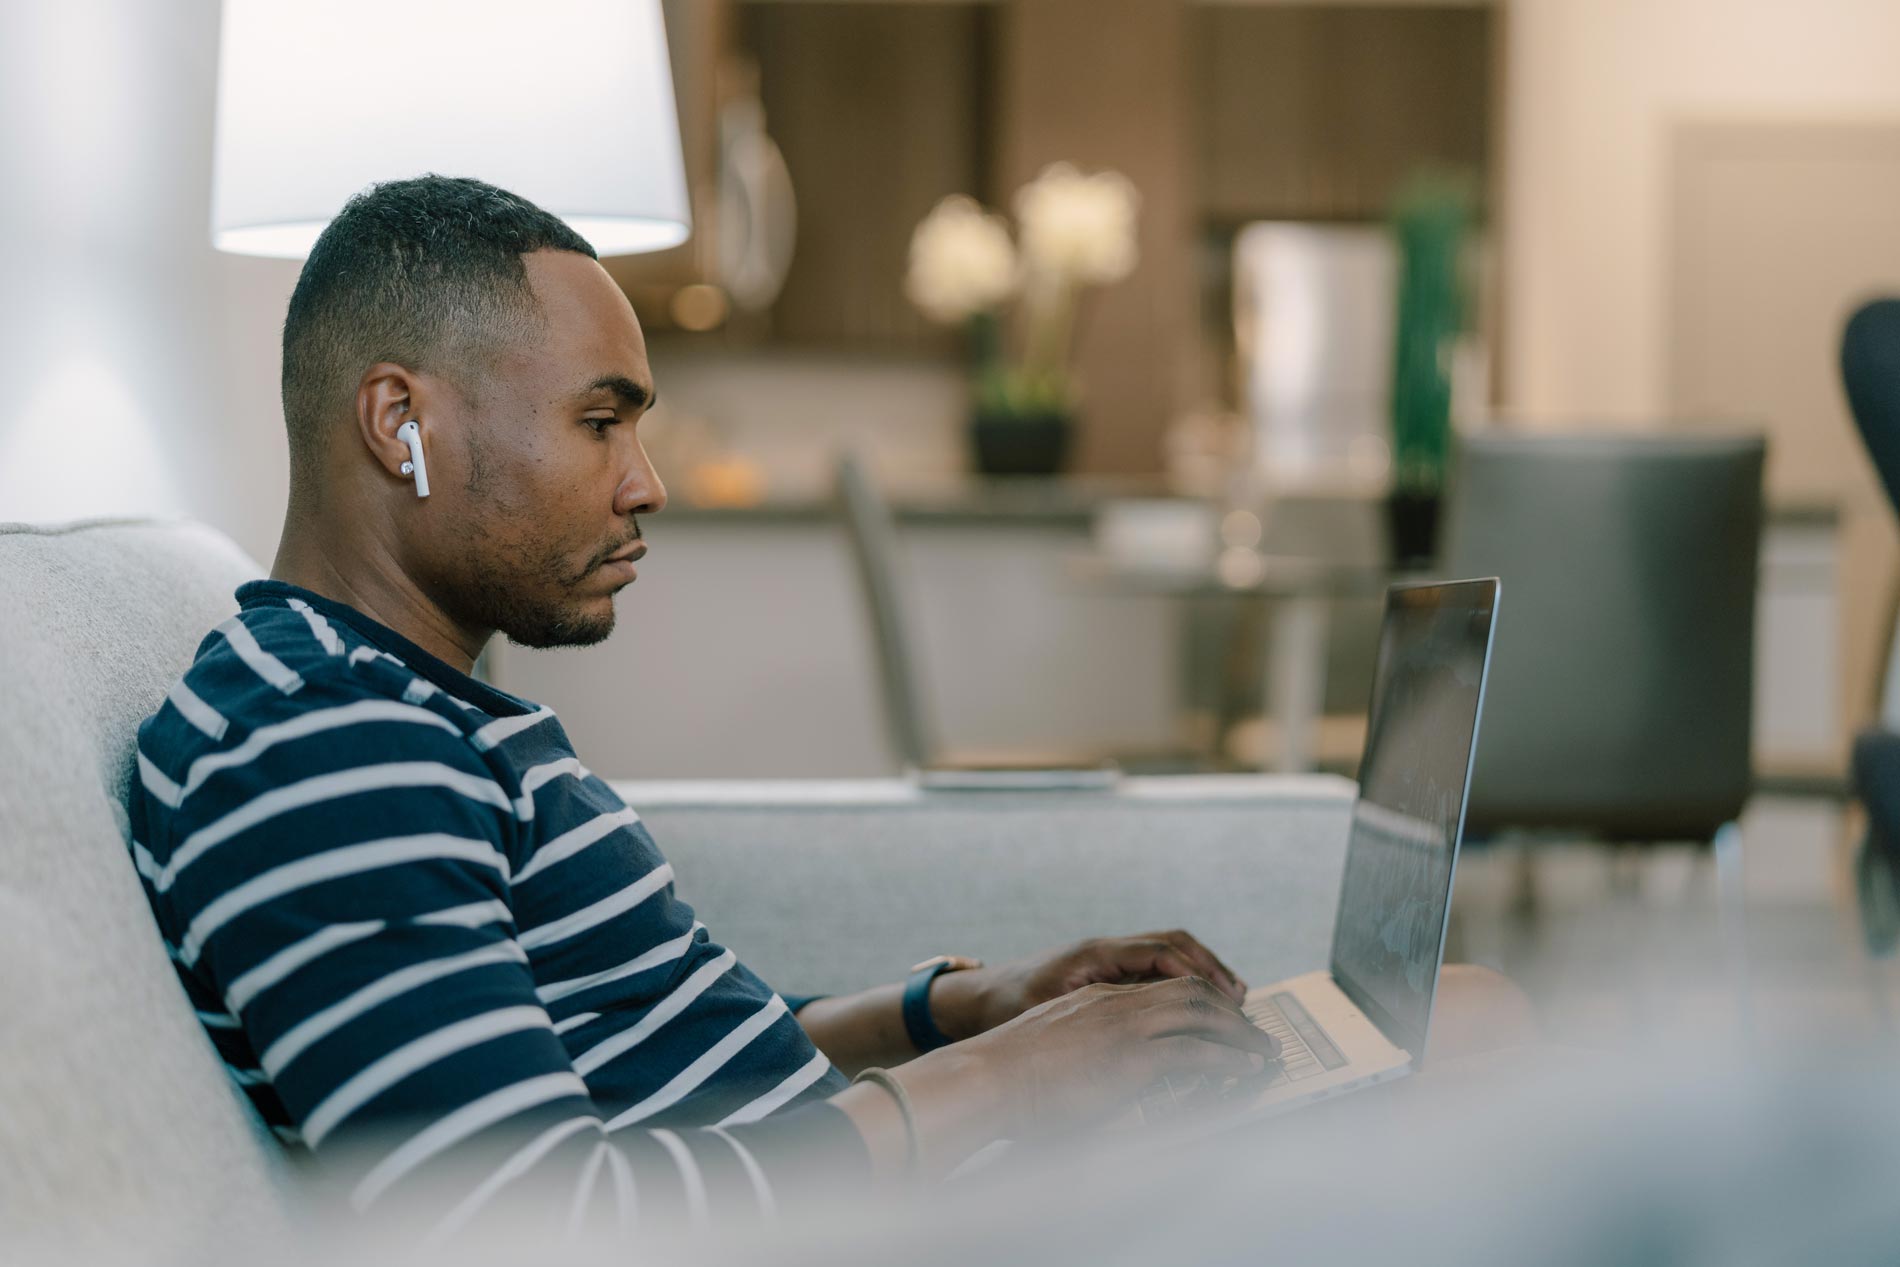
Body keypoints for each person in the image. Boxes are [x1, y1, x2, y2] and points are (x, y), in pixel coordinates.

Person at [126, 175, 1277, 1241]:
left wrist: (970, 1008)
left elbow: (657, 1054)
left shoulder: (410, 710)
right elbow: (527, 1227)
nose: (646, 483)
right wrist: (1007, 1083)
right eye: (599, 421)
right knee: (1455, 1032)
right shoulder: (324, 743)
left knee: (1425, 1030)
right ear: (398, 422)